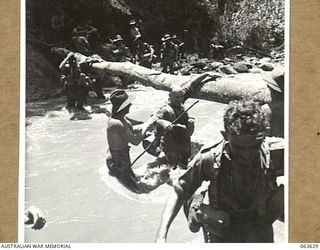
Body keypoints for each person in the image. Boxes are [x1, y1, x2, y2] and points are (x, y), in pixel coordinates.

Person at [155, 99, 284, 243]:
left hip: (257, 223)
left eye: (253, 146)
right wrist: (161, 236)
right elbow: (179, 191)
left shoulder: (275, 152)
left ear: (263, 137)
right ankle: (197, 213)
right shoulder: (208, 158)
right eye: (239, 148)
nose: (246, 154)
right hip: (222, 224)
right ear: (225, 136)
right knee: (215, 219)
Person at [145, 72, 220, 169]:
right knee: (172, 166)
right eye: (177, 97)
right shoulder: (165, 109)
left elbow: (191, 85)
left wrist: (206, 75)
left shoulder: (180, 102)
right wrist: (163, 122)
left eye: (181, 97)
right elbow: (153, 119)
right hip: (170, 143)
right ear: (170, 97)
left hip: (183, 140)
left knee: (184, 163)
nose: (179, 99)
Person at [106, 90, 172, 193]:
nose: (131, 105)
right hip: (118, 161)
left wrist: (148, 126)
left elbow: (132, 129)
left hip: (123, 158)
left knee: (136, 180)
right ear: (123, 107)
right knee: (138, 191)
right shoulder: (116, 123)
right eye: (128, 104)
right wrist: (147, 125)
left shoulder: (121, 117)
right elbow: (135, 141)